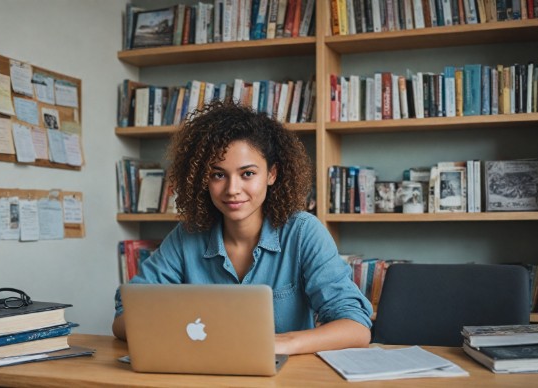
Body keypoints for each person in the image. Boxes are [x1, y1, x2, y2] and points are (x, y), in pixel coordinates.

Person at [112, 101, 372, 355]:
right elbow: (126, 314)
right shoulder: (186, 236)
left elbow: (356, 327)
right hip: (203, 375)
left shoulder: (303, 232)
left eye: (247, 174)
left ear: (271, 174)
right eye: (218, 174)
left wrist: (282, 343)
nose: (232, 189)